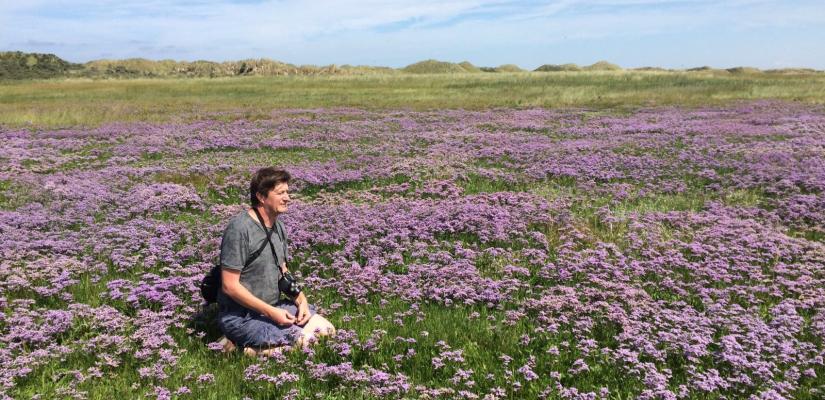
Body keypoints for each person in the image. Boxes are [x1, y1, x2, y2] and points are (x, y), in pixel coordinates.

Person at [217, 168, 335, 355]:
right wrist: (272, 313)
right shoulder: (239, 229)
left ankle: (249, 346)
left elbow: (283, 272)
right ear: (262, 197)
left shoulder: (278, 227)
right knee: (305, 343)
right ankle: (237, 348)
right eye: (281, 193)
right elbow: (229, 286)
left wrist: (301, 300)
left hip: (273, 308)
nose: (288, 198)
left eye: (287, 192)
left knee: (326, 331)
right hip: (241, 317)